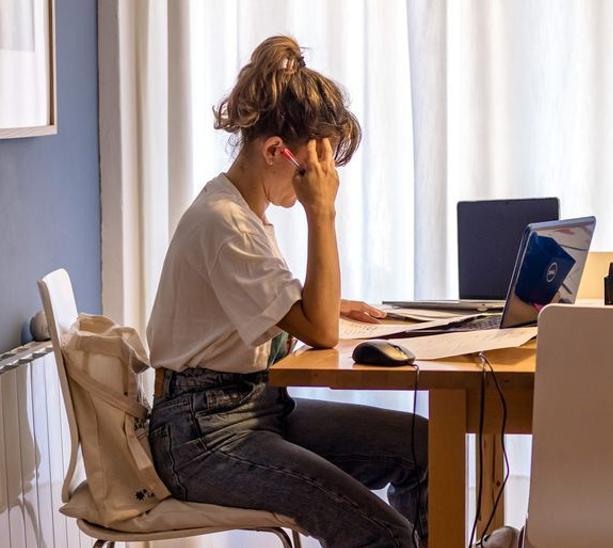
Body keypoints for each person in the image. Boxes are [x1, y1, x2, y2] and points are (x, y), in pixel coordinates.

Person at [145, 35, 428, 547]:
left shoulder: (246, 214)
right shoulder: (225, 223)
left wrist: (315, 305)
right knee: (384, 535)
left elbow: (281, 313)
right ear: (278, 151)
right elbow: (318, 333)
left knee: (424, 447)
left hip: (255, 410)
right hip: (203, 435)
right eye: (316, 167)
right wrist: (323, 212)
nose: (324, 179)